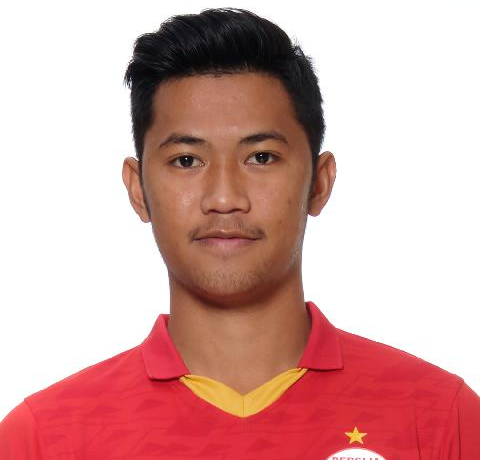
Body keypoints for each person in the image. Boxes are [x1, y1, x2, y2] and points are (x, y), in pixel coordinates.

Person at [1, 7, 479, 460]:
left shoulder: (441, 418)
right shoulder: (43, 439)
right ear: (138, 189)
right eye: (186, 160)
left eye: (261, 157)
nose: (225, 197)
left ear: (319, 183)